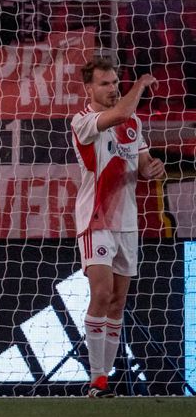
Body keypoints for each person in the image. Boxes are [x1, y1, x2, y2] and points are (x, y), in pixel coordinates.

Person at [71, 57, 166, 398]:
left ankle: (105, 379)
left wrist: (151, 169)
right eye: (105, 84)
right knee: (101, 293)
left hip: (127, 222)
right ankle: (97, 379)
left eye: (115, 83)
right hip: (95, 220)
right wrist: (140, 84)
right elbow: (121, 113)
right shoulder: (82, 121)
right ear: (89, 88)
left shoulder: (133, 124)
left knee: (118, 301)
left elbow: (141, 165)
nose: (112, 89)